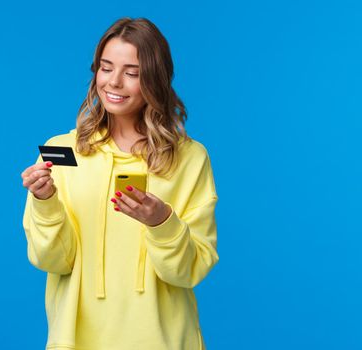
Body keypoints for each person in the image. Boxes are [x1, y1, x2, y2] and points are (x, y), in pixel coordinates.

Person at [21, 17, 219, 350]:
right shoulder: (61, 151)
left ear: (155, 79)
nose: (114, 83)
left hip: (164, 340)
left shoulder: (189, 158)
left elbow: (189, 272)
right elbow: (50, 260)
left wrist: (162, 222)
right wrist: (45, 201)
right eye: (105, 68)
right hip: (76, 340)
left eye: (132, 73)